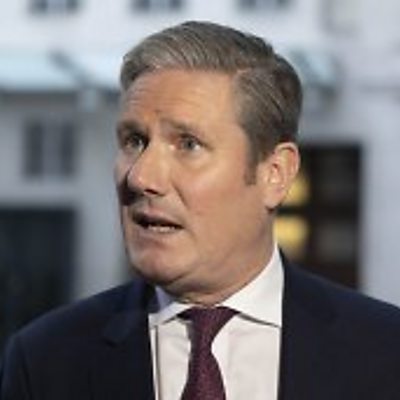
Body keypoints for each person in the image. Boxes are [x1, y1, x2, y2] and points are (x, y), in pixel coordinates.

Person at [1, 21, 400, 400]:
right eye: (134, 141)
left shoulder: (385, 352)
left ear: (275, 174)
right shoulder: (44, 361)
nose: (141, 177)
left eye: (188, 144)